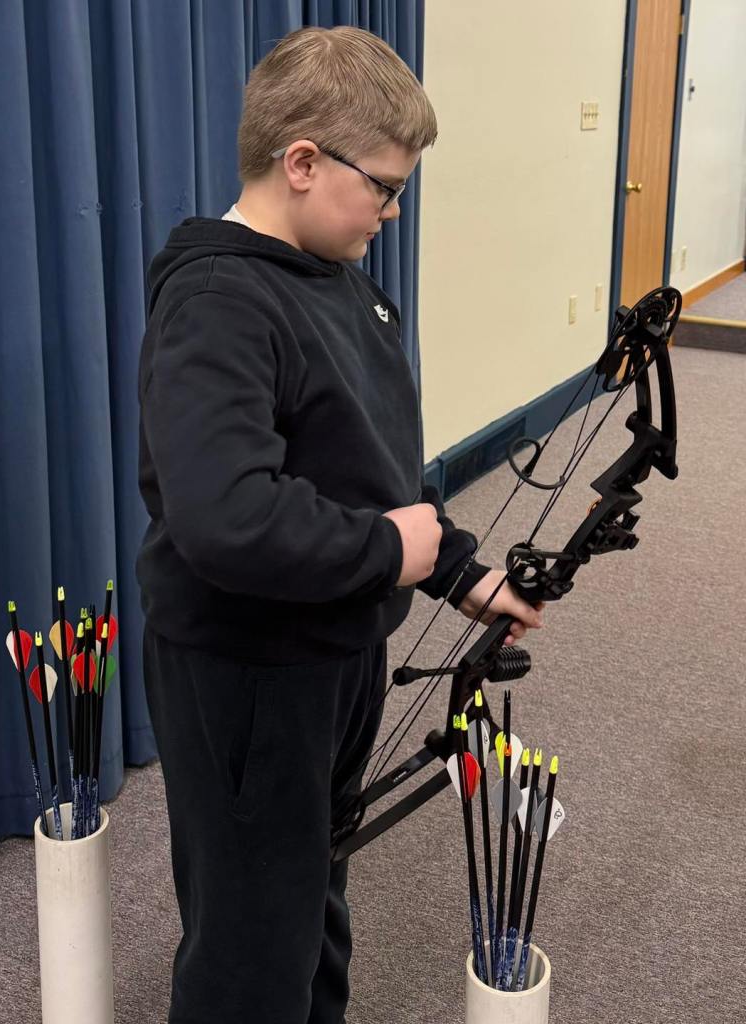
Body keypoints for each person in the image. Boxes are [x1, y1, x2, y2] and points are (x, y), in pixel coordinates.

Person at [137, 25, 543, 1024]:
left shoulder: (339, 279)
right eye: (385, 186)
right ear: (303, 162)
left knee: (314, 887)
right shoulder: (219, 301)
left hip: (336, 649)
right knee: (249, 942)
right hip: (248, 671)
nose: (394, 211)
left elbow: (373, 478)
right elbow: (226, 515)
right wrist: (386, 551)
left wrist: (459, 571)